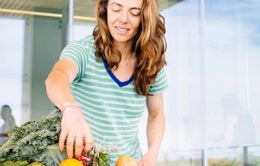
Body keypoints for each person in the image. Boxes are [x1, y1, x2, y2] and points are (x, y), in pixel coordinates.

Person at [45, 0, 168, 165]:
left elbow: (156, 113)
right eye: (116, 9)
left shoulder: (150, 63)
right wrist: (70, 108)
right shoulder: (83, 51)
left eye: (134, 13)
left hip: (129, 161)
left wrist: (152, 153)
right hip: (84, 162)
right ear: (105, 10)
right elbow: (57, 76)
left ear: (145, 18)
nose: (123, 19)